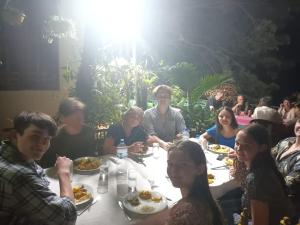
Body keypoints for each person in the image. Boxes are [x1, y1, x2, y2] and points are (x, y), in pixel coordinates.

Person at [0, 111, 76, 225]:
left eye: (47, 139)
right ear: (15, 136)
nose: (42, 144)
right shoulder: (20, 176)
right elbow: (67, 218)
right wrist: (64, 172)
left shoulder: (6, 150)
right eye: (35, 136)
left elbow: (38, 173)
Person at [136, 140, 224, 225]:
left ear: (199, 169)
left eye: (183, 165)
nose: (173, 170)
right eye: (170, 164)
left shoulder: (188, 213)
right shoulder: (202, 198)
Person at [235, 124, 293, 225]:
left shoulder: (256, 179)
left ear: (262, 147)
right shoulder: (265, 164)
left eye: (246, 145)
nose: (238, 148)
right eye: (237, 143)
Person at [39, 97, 96, 168]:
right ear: (63, 118)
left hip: (87, 173)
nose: (80, 116)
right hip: (66, 173)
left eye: (81, 113)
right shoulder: (55, 136)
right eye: (74, 113)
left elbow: (92, 156)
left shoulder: (89, 131)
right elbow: (47, 164)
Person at [143, 85, 186, 149]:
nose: (163, 99)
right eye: (160, 96)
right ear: (156, 97)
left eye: (166, 96)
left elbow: (184, 132)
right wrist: (163, 144)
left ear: (170, 98)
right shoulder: (148, 114)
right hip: (154, 148)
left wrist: (182, 136)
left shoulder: (176, 113)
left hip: (172, 148)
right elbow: (151, 135)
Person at [272, 119, 300, 215]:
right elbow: (265, 155)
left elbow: (288, 185)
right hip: (264, 190)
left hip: (284, 207)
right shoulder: (287, 141)